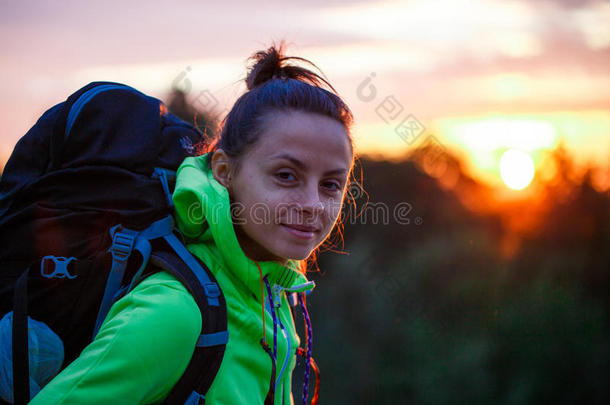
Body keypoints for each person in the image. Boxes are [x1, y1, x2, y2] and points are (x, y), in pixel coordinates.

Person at [29, 42, 356, 404]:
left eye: (330, 184)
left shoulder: (273, 298)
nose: (312, 204)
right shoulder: (175, 313)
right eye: (286, 175)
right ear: (224, 171)